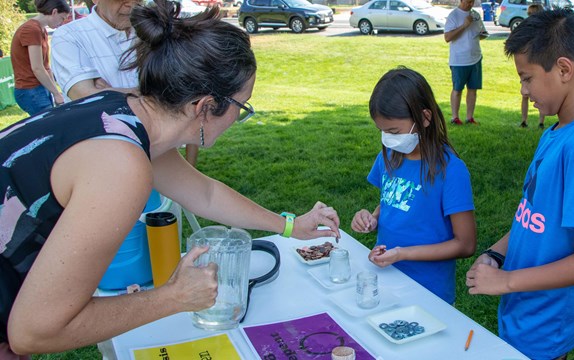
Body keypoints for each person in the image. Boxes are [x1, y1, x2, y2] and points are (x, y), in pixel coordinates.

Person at [0, 1, 340, 356]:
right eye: (242, 107)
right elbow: (35, 332)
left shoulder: (126, 114)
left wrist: (290, 226)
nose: (238, 119)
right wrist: (173, 298)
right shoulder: (120, 164)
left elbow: (205, 193)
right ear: (205, 107)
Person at [465, 10, 574, 360]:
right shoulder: (557, 132)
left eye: (527, 78)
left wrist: (505, 282)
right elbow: (532, 216)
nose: (523, 91)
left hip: (547, 325)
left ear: (564, 70)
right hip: (524, 311)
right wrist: (496, 253)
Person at [351, 67, 477, 305]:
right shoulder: (390, 155)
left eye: (394, 131)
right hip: (387, 278)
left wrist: (403, 253)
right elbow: (393, 200)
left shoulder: (451, 171)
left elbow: (466, 243)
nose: (387, 138)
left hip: (428, 291)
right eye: (382, 131)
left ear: (425, 118)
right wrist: (373, 217)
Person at [51, 0, 200, 166]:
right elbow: (86, 96)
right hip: (102, 160)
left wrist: (109, 92)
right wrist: (159, 94)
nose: (132, 5)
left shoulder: (151, 32)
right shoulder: (69, 36)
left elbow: (187, 95)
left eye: (139, 0)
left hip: (158, 154)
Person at [10, 0, 68, 116]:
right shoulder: (31, 29)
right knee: (48, 127)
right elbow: (37, 68)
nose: (61, 23)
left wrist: (55, 91)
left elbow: (46, 66)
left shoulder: (41, 30)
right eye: (62, 18)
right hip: (30, 90)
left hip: (40, 88)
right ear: (54, 12)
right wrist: (56, 93)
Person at [444, 0, 488, 125]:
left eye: (472, 2)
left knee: (473, 89)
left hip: (475, 57)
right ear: (461, 1)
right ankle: (455, 117)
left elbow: (482, 32)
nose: (470, 4)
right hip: (459, 60)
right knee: (457, 89)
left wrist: (482, 34)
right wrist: (464, 26)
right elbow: (447, 38)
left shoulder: (475, 15)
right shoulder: (454, 15)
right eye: (468, 2)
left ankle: (470, 117)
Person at [520, 3, 545, 129]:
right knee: (525, 94)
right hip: (527, 64)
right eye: (529, 14)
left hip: (539, 64)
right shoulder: (525, 28)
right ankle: (524, 120)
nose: (530, 16)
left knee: (541, 94)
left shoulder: (545, 30)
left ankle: (541, 121)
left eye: (533, 14)